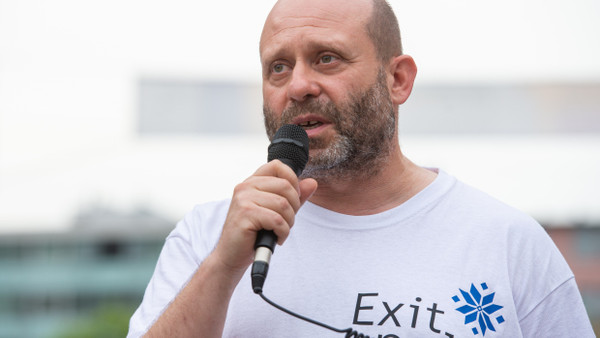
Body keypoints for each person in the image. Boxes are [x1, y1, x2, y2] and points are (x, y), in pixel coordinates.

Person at [128, 0, 595, 337]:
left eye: (326, 58)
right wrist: (223, 266)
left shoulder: (506, 242)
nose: (299, 85)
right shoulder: (207, 238)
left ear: (398, 79)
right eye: (278, 67)